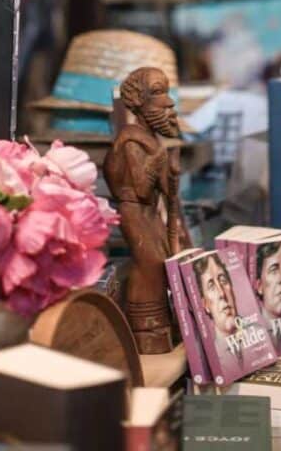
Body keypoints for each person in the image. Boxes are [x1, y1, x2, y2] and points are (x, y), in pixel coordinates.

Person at [103, 66, 186, 354]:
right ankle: (144, 327)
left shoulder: (151, 140)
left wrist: (171, 168)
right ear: (139, 100)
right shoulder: (130, 140)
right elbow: (140, 187)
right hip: (134, 211)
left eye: (167, 91)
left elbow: (165, 188)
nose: (169, 102)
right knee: (149, 263)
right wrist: (159, 158)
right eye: (158, 92)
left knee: (163, 261)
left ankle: (163, 323)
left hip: (150, 212)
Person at [194, 252, 241, 376]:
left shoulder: (260, 336)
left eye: (223, 281)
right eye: (211, 286)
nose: (222, 293)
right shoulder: (212, 358)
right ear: (205, 305)